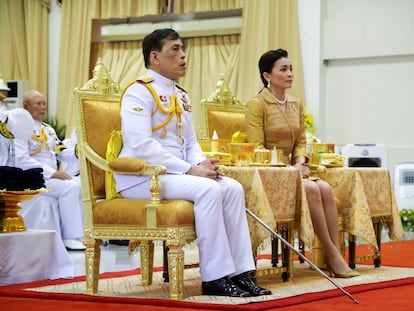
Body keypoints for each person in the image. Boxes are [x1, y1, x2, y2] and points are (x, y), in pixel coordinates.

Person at [114, 28, 271, 297]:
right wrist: (190, 169)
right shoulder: (138, 93)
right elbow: (141, 146)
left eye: (183, 49)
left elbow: (190, 144)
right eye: (174, 49)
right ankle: (215, 276)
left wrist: (203, 163)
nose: (183, 55)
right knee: (208, 189)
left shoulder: (182, 95)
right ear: (155, 57)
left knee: (231, 187)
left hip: (174, 175)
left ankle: (240, 272)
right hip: (142, 178)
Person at [245, 49, 359, 278]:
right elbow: (256, 147)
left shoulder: (296, 104)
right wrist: (288, 168)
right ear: (267, 75)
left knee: (325, 188)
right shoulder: (257, 104)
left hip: (295, 170)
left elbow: (300, 141)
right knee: (312, 190)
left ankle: (331, 254)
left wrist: (299, 161)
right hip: (272, 174)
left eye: (291, 69)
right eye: (283, 69)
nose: (289, 74)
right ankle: (333, 256)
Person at [14, 90, 85, 251]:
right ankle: (70, 237)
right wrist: (51, 172)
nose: (43, 107)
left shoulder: (48, 129)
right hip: (31, 177)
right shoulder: (20, 129)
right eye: (38, 104)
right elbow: (21, 159)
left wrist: (79, 151)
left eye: (44, 103)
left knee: (80, 184)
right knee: (70, 187)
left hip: (49, 177)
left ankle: (80, 234)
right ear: (26, 107)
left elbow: (60, 151)